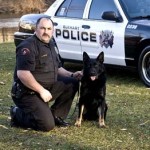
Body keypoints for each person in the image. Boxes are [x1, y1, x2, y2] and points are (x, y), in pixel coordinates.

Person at [10, 17, 82, 131]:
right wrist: (41, 91)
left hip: (47, 87)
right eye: (42, 28)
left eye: (49, 29)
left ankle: (56, 116)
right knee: (47, 125)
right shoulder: (27, 46)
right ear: (36, 29)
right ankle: (16, 113)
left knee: (72, 82)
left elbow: (57, 68)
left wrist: (72, 75)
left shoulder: (51, 43)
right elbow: (23, 74)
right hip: (28, 92)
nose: (46, 32)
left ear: (53, 30)